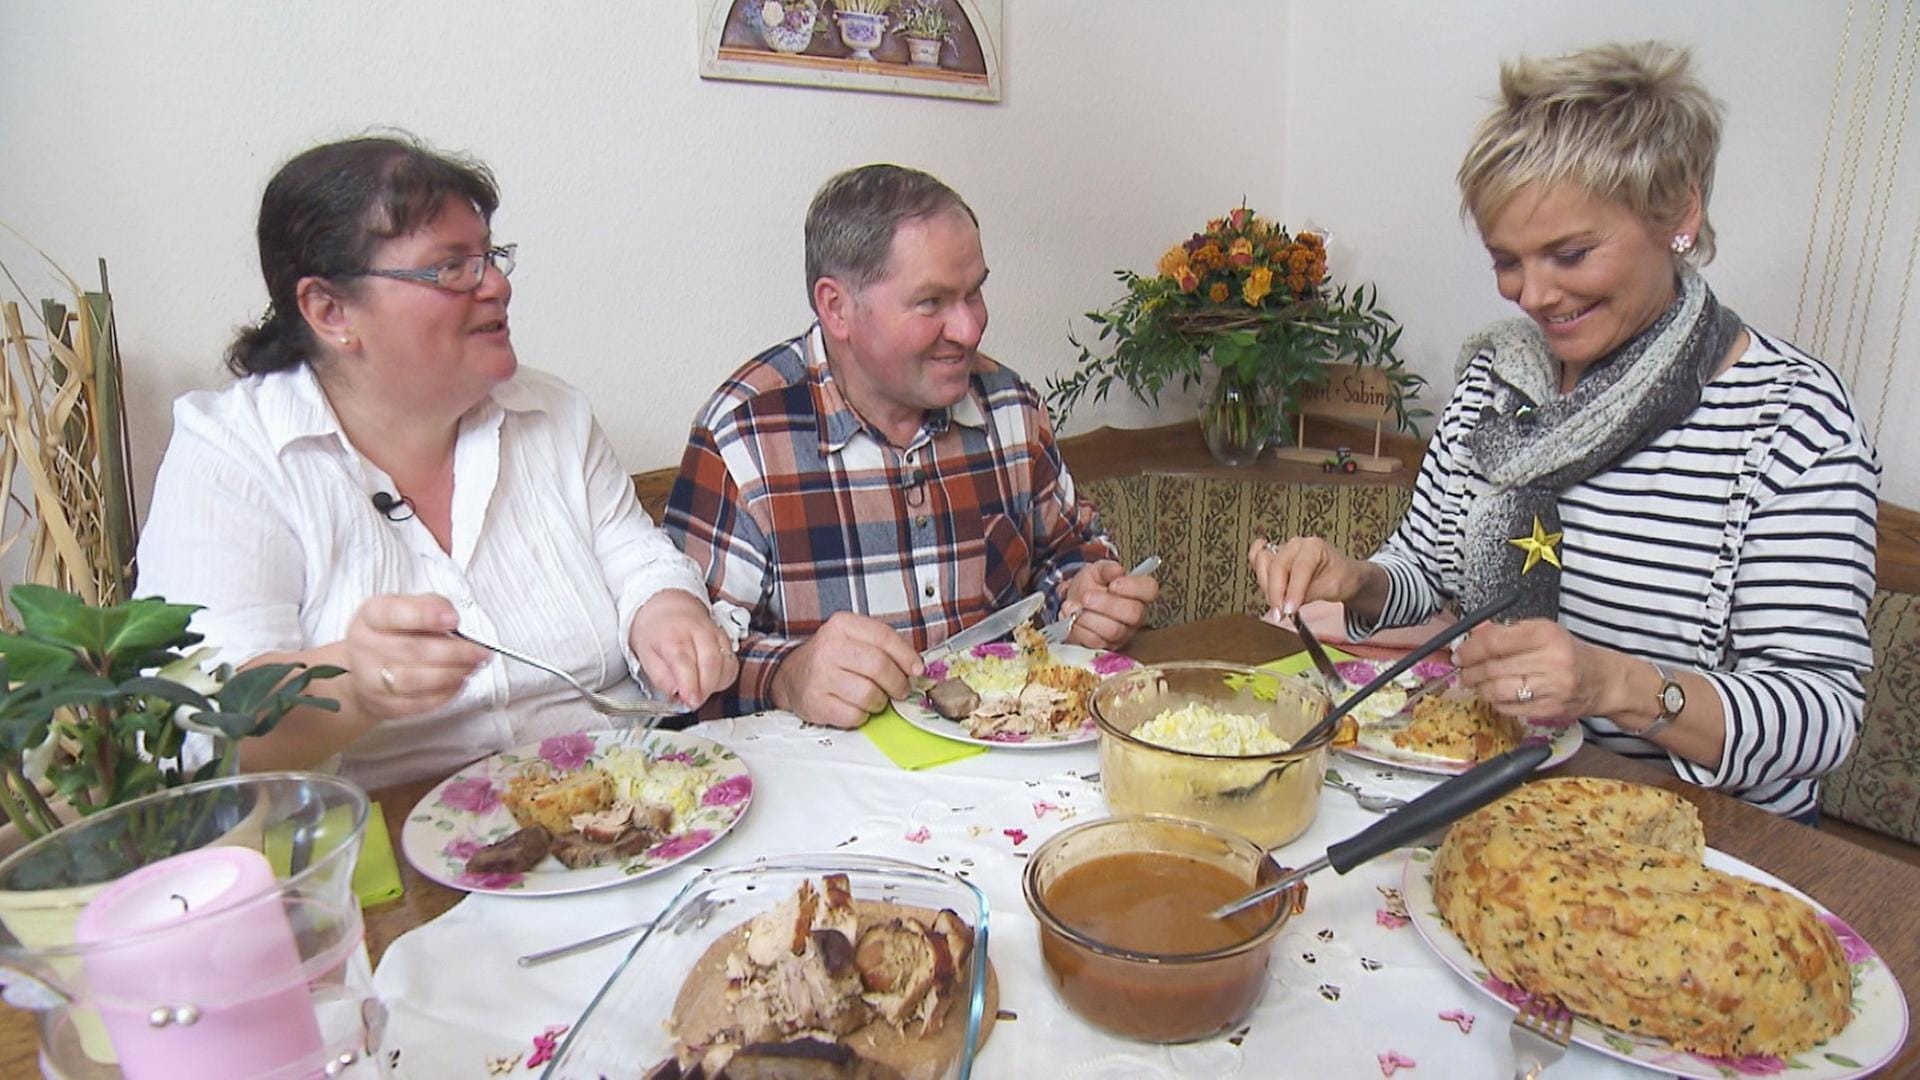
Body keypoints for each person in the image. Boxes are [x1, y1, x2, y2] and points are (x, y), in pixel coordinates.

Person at [1249, 42, 1878, 821]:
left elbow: (1819, 719)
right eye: (1506, 261)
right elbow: (1428, 570)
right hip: (1498, 798)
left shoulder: (1790, 419)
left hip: (1705, 841)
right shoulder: (1498, 383)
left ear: (1678, 212)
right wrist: (1363, 582)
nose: (1534, 296)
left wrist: (1611, 683)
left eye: (1571, 254)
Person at [138, 135, 741, 789]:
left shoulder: (554, 414)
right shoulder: (233, 455)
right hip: (383, 855)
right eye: (451, 268)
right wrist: (358, 686)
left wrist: (668, 612)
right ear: (330, 310)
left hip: (624, 796)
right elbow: (200, 722)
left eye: (491, 257)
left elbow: (638, 563)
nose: (498, 286)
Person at [664, 164, 1157, 729]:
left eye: (975, 292)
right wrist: (787, 675)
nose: (970, 328)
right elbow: (680, 679)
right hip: (836, 790)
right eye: (931, 303)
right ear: (836, 308)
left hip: (1007, 768)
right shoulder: (743, 438)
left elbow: (1073, 552)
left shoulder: (1011, 407)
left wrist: (1083, 597)